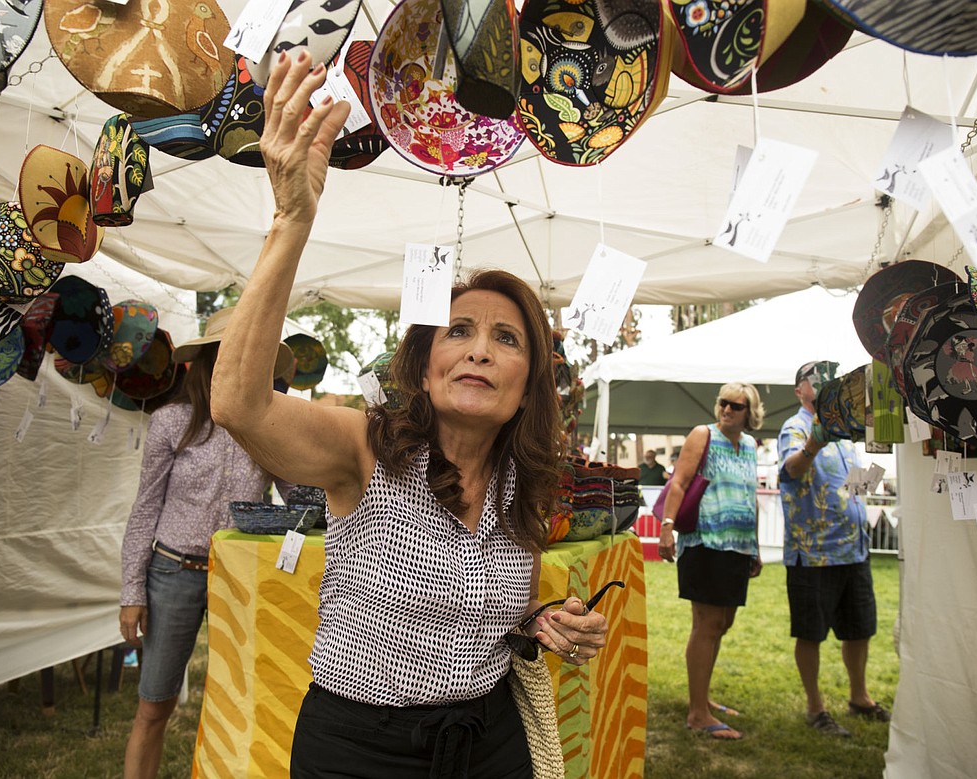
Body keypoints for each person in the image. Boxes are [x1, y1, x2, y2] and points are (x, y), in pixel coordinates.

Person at [207, 49, 609, 779]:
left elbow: (488, 615)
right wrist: (292, 216)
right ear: (425, 367)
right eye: (459, 331)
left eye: (505, 337)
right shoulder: (365, 451)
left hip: (487, 743)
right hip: (357, 752)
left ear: (529, 383)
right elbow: (236, 400)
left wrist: (542, 620)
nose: (479, 350)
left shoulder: (524, 485)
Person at [118, 311, 294, 779]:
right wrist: (132, 592)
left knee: (239, 698)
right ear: (211, 362)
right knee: (155, 704)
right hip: (172, 573)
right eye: (234, 356)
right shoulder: (172, 422)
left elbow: (298, 494)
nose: (244, 366)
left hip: (239, 575)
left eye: (252, 359)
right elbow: (144, 510)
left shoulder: (265, 425)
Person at [778, 360, 890, 737]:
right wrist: (815, 440)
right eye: (815, 377)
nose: (825, 382)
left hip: (854, 549)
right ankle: (815, 707)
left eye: (831, 375)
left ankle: (859, 697)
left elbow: (849, 487)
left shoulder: (847, 429)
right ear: (800, 390)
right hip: (813, 552)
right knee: (811, 633)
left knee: (860, 629)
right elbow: (791, 470)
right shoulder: (795, 427)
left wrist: (866, 481)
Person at [657, 383, 764, 740]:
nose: (728, 409)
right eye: (724, 403)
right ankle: (698, 713)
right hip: (705, 543)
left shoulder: (749, 446)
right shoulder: (703, 435)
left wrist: (755, 547)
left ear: (750, 413)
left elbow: (751, 497)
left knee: (722, 623)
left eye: (737, 405)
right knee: (708, 623)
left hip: (737, 546)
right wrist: (667, 527)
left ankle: (702, 698)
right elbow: (679, 483)